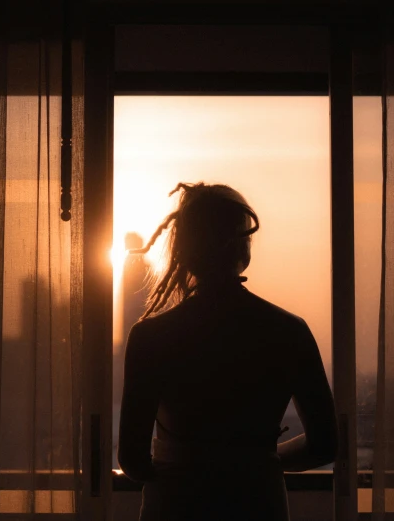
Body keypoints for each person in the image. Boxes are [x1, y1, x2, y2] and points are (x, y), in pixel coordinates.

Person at [117, 182, 338, 520]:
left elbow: (133, 460)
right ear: (243, 248)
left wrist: (186, 462)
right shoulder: (289, 331)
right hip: (258, 502)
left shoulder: (150, 337)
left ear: (183, 250)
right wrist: (257, 459)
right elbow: (324, 443)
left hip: (176, 506)